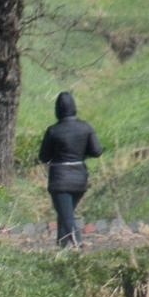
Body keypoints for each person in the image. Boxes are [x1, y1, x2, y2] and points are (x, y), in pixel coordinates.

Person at [37, 91, 104, 249]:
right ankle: (62, 247)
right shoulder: (86, 128)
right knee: (65, 213)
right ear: (74, 108)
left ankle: (77, 244)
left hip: (60, 179)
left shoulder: (53, 131)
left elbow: (43, 157)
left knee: (67, 216)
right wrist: (82, 153)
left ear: (57, 110)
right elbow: (97, 151)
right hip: (80, 178)